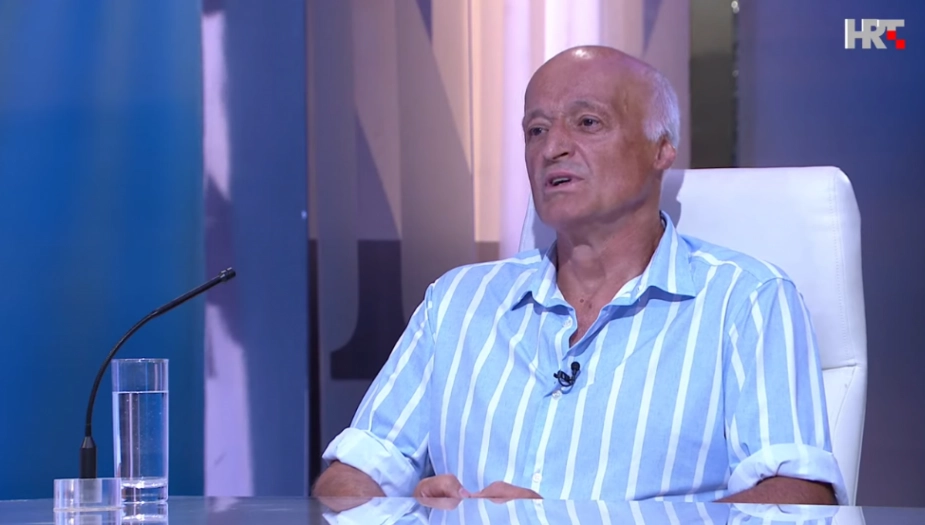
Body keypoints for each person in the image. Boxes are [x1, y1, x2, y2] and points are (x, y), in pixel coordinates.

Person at [313, 45, 846, 506]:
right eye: (536, 130)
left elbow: (798, 498)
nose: (552, 148)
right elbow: (349, 477)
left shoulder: (747, 301)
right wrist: (415, 512)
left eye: (587, 123)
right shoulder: (457, 303)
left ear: (662, 147)